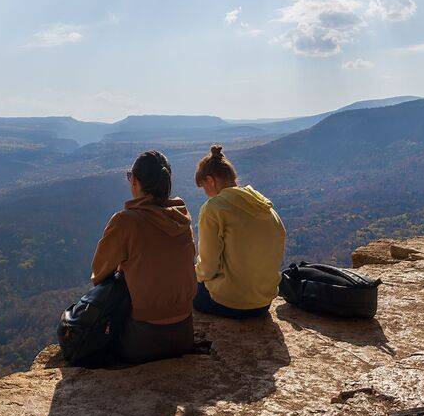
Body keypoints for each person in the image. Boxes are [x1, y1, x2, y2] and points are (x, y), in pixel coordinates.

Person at [89, 150, 196, 364]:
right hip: (184, 333)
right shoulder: (181, 218)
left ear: (135, 181)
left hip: (142, 339)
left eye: (130, 177)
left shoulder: (125, 221)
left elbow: (98, 273)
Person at [193, 145, 286, 319]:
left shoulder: (214, 208)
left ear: (210, 180)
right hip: (263, 302)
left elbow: (208, 268)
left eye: (204, 186)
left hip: (230, 303)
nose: (205, 193)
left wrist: (192, 275)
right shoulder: (264, 206)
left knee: (182, 288)